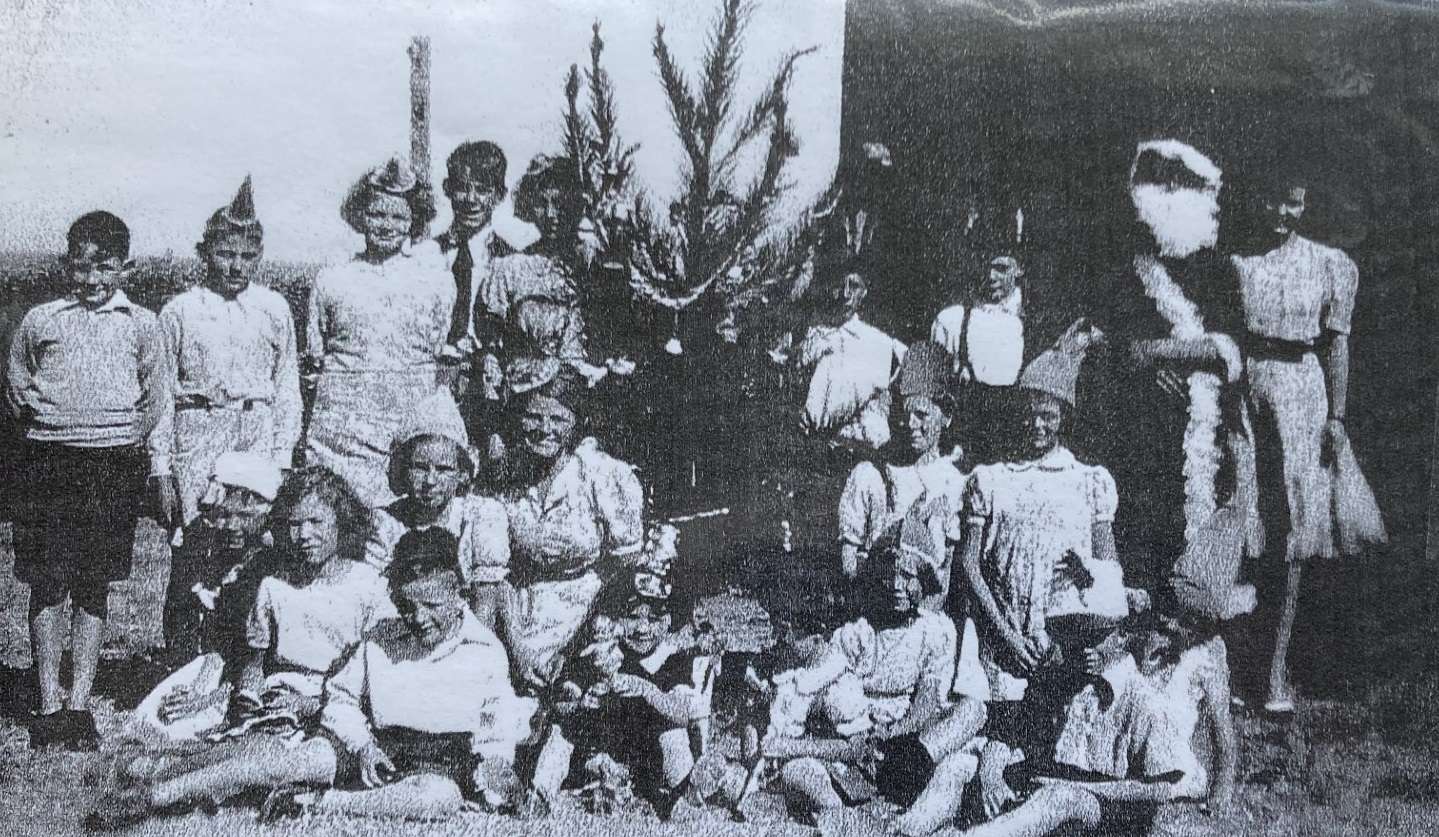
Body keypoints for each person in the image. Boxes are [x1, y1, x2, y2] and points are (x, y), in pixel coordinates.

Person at [85, 467, 395, 829]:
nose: (304, 535)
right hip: (279, 698)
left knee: (261, 756)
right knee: (246, 744)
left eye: (316, 522)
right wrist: (248, 701)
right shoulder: (274, 586)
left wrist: (311, 704)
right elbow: (256, 661)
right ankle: (146, 770)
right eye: (295, 524)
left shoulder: (367, 586)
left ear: (342, 522)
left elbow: (373, 676)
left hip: (335, 705)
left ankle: (152, 785)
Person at [6, 210, 169, 750]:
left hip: (111, 464)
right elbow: (16, 386)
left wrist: (119, 439)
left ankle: (80, 705)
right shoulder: (42, 319)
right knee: (48, 583)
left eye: (105, 268)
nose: (93, 280)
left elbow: (153, 396)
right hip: (49, 462)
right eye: (82, 267)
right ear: (66, 265)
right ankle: (48, 702)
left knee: (94, 584)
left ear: (126, 267)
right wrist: (53, 427)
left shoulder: (142, 323)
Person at [258, 528, 536, 821]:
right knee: (308, 758)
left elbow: (496, 718)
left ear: (459, 594)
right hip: (375, 749)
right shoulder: (381, 639)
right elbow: (341, 698)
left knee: (438, 797)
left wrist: (496, 761)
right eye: (406, 607)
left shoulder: (484, 650)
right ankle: (208, 785)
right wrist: (363, 746)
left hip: (442, 762)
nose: (418, 618)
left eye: (431, 606)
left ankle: (314, 802)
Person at [1230, 170, 1376, 713]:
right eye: (1271, 198)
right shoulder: (1236, 261)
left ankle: (1274, 674)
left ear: (1305, 203)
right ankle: (1231, 667)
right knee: (1244, 518)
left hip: (1301, 389)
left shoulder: (1328, 263)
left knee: (1294, 528)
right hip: (1244, 387)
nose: (1281, 212)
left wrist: (1336, 415)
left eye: (1292, 202)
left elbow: (1337, 346)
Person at [1089, 139, 1255, 583]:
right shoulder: (1126, 271)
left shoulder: (1218, 272)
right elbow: (1116, 347)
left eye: (1187, 187)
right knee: (1146, 534)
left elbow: (1231, 349)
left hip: (1210, 425)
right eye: (1163, 185)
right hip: (1144, 424)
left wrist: (1160, 352)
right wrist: (1144, 365)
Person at [958, 322, 1121, 729]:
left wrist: (1098, 645)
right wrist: (1008, 636)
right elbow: (969, 566)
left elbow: (1106, 574)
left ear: (1064, 416)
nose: (1037, 426)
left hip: (1066, 649)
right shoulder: (992, 479)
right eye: (1029, 415)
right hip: (1003, 641)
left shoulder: (1089, 482)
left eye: (1047, 416)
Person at [763, 541, 984, 827]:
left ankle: (904, 813)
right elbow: (816, 685)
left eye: (907, 576)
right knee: (797, 772)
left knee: (970, 712)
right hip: (851, 743)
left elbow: (927, 702)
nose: (895, 584)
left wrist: (892, 733)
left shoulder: (935, 631)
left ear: (923, 582)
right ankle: (844, 815)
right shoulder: (859, 632)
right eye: (888, 574)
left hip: (906, 743)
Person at [953, 616, 1207, 837]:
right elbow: (1013, 732)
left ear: (1122, 637)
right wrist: (991, 772)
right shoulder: (1061, 680)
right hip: (1045, 790)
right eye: (1077, 634)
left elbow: (1164, 786)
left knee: (1061, 798)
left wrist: (1082, 787)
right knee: (963, 766)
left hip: (1105, 811)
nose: (1084, 648)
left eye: (1096, 636)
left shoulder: (1143, 702)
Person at [150, 176, 301, 532]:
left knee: (249, 539)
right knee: (195, 541)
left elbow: (286, 385)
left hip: (255, 436)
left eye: (247, 256)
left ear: (259, 256)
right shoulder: (180, 311)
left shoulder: (273, 308)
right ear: (205, 252)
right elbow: (161, 395)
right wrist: (161, 467)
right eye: (225, 254)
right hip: (198, 437)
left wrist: (282, 457)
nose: (236, 266)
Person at [304, 156, 456, 508]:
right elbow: (317, 351)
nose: (387, 225)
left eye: (398, 216)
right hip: (340, 429)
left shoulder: (435, 281)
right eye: (377, 214)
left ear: (413, 220)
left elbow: (436, 346)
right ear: (360, 216)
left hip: (403, 423)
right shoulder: (333, 279)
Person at [488, 363, 645, 689]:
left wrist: (572, 648)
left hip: (590, 611)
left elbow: (625, 572)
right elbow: (492, 571)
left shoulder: (601, 475)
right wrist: (516, 643)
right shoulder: (505, 475)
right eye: (533, 416)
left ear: (576, 423)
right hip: (516, 611)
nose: (544, 429)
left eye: (558, 419)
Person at [539, 570, 720, 818]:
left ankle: (684, 798)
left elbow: (683, 715)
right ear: (616, 618)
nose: (643, 628)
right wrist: (580, 703)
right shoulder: (602, 652)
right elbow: (560, 705)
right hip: (599, 748)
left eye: (654, 619)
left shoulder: (671, 659)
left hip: (647, 754)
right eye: (632, 618)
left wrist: (646, 689)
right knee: (561, 733)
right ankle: (540, 792)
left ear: (667, 621)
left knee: (673, 734)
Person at [132, 452, 284, 743]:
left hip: (257, 679)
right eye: (223, 515)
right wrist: (200, 684)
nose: (230, 525)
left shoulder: (270, 569)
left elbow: (260, 660)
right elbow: (219, 641)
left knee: (186, 729)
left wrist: (208, 696)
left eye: (244, 516)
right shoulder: (218, 557)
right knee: (150, 722)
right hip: (222, 665)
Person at [365, 391, 511, 628]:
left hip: (468, 632)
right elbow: (374, 595)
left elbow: (487, 596)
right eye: (420, 468)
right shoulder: (387, 523)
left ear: (462, 473)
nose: (430, 481)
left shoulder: (479, 514)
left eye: (443, 470)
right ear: (404, 469)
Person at [837, 341, 966, 608]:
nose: (911, 425)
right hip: (873, 614)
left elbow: (945, 579)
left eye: (922, 414)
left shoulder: (955, 484)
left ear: (947, 416)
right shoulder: (870, 476)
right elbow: (848, 565)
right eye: (905, 414)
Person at [420, 140, 519, 401]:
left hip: (488, 387)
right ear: (447, 189)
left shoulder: (510, 261)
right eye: (462, 189)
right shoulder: (427, 255)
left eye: (483, 190)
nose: (471, 200)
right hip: (432, 378)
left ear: (499, 195)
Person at [931, 215, 1025, 465]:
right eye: (986, 267)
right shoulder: (952, 321)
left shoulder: (1031, 330)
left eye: (1001, 269)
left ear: (1019, 270)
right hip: (962, 458)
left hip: (1013, 462)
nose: (991, 276)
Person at [794, 270, 907, 452]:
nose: (845, 294)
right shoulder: (813, 336)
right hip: (806, 446)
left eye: (854, 287)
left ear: (864, 293)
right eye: (840, 286)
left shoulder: (879, 342)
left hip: (853, 449)